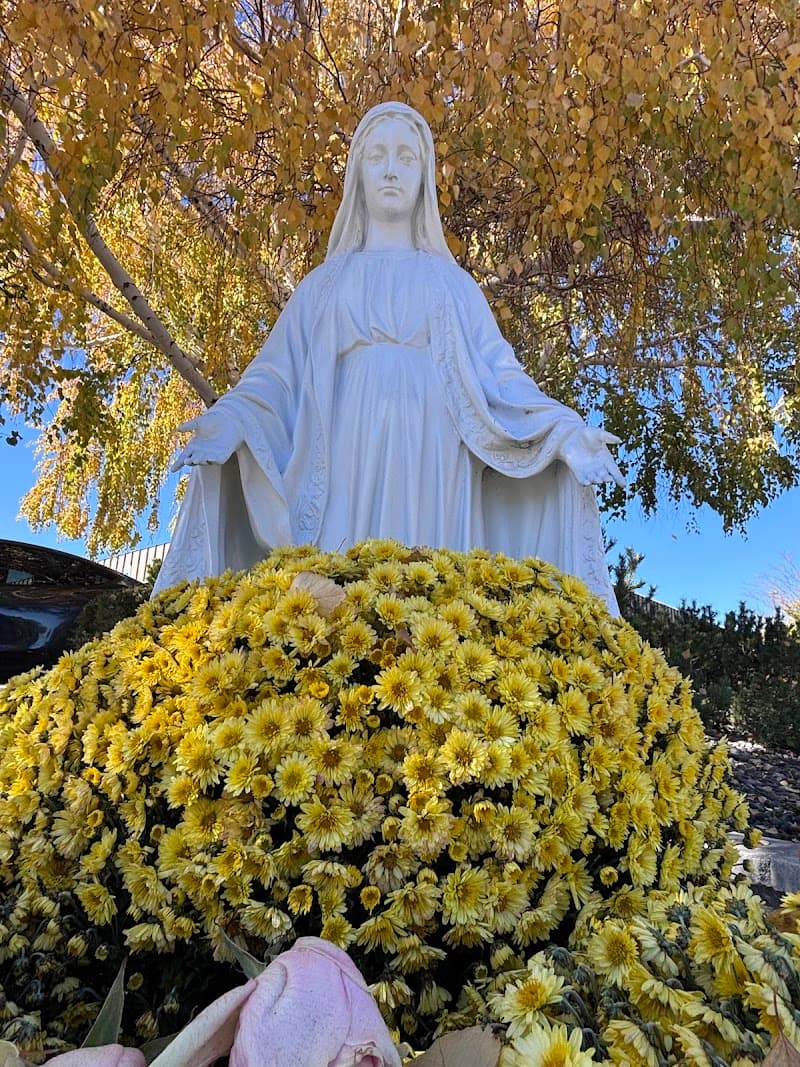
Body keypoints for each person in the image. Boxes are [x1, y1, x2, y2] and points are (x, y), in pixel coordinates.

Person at [154, 102, 624, 613]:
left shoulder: (452, 284)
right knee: (338, 594)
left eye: (406, 156)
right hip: (345, 453)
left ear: (424, 175)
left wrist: (564, 433)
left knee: (433, 596)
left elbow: (504, 378)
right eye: (377, 156)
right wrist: (231, 421)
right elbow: (275, 377)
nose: (392, 169)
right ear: (358, 173)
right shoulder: (325, 284)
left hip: (437, 452)